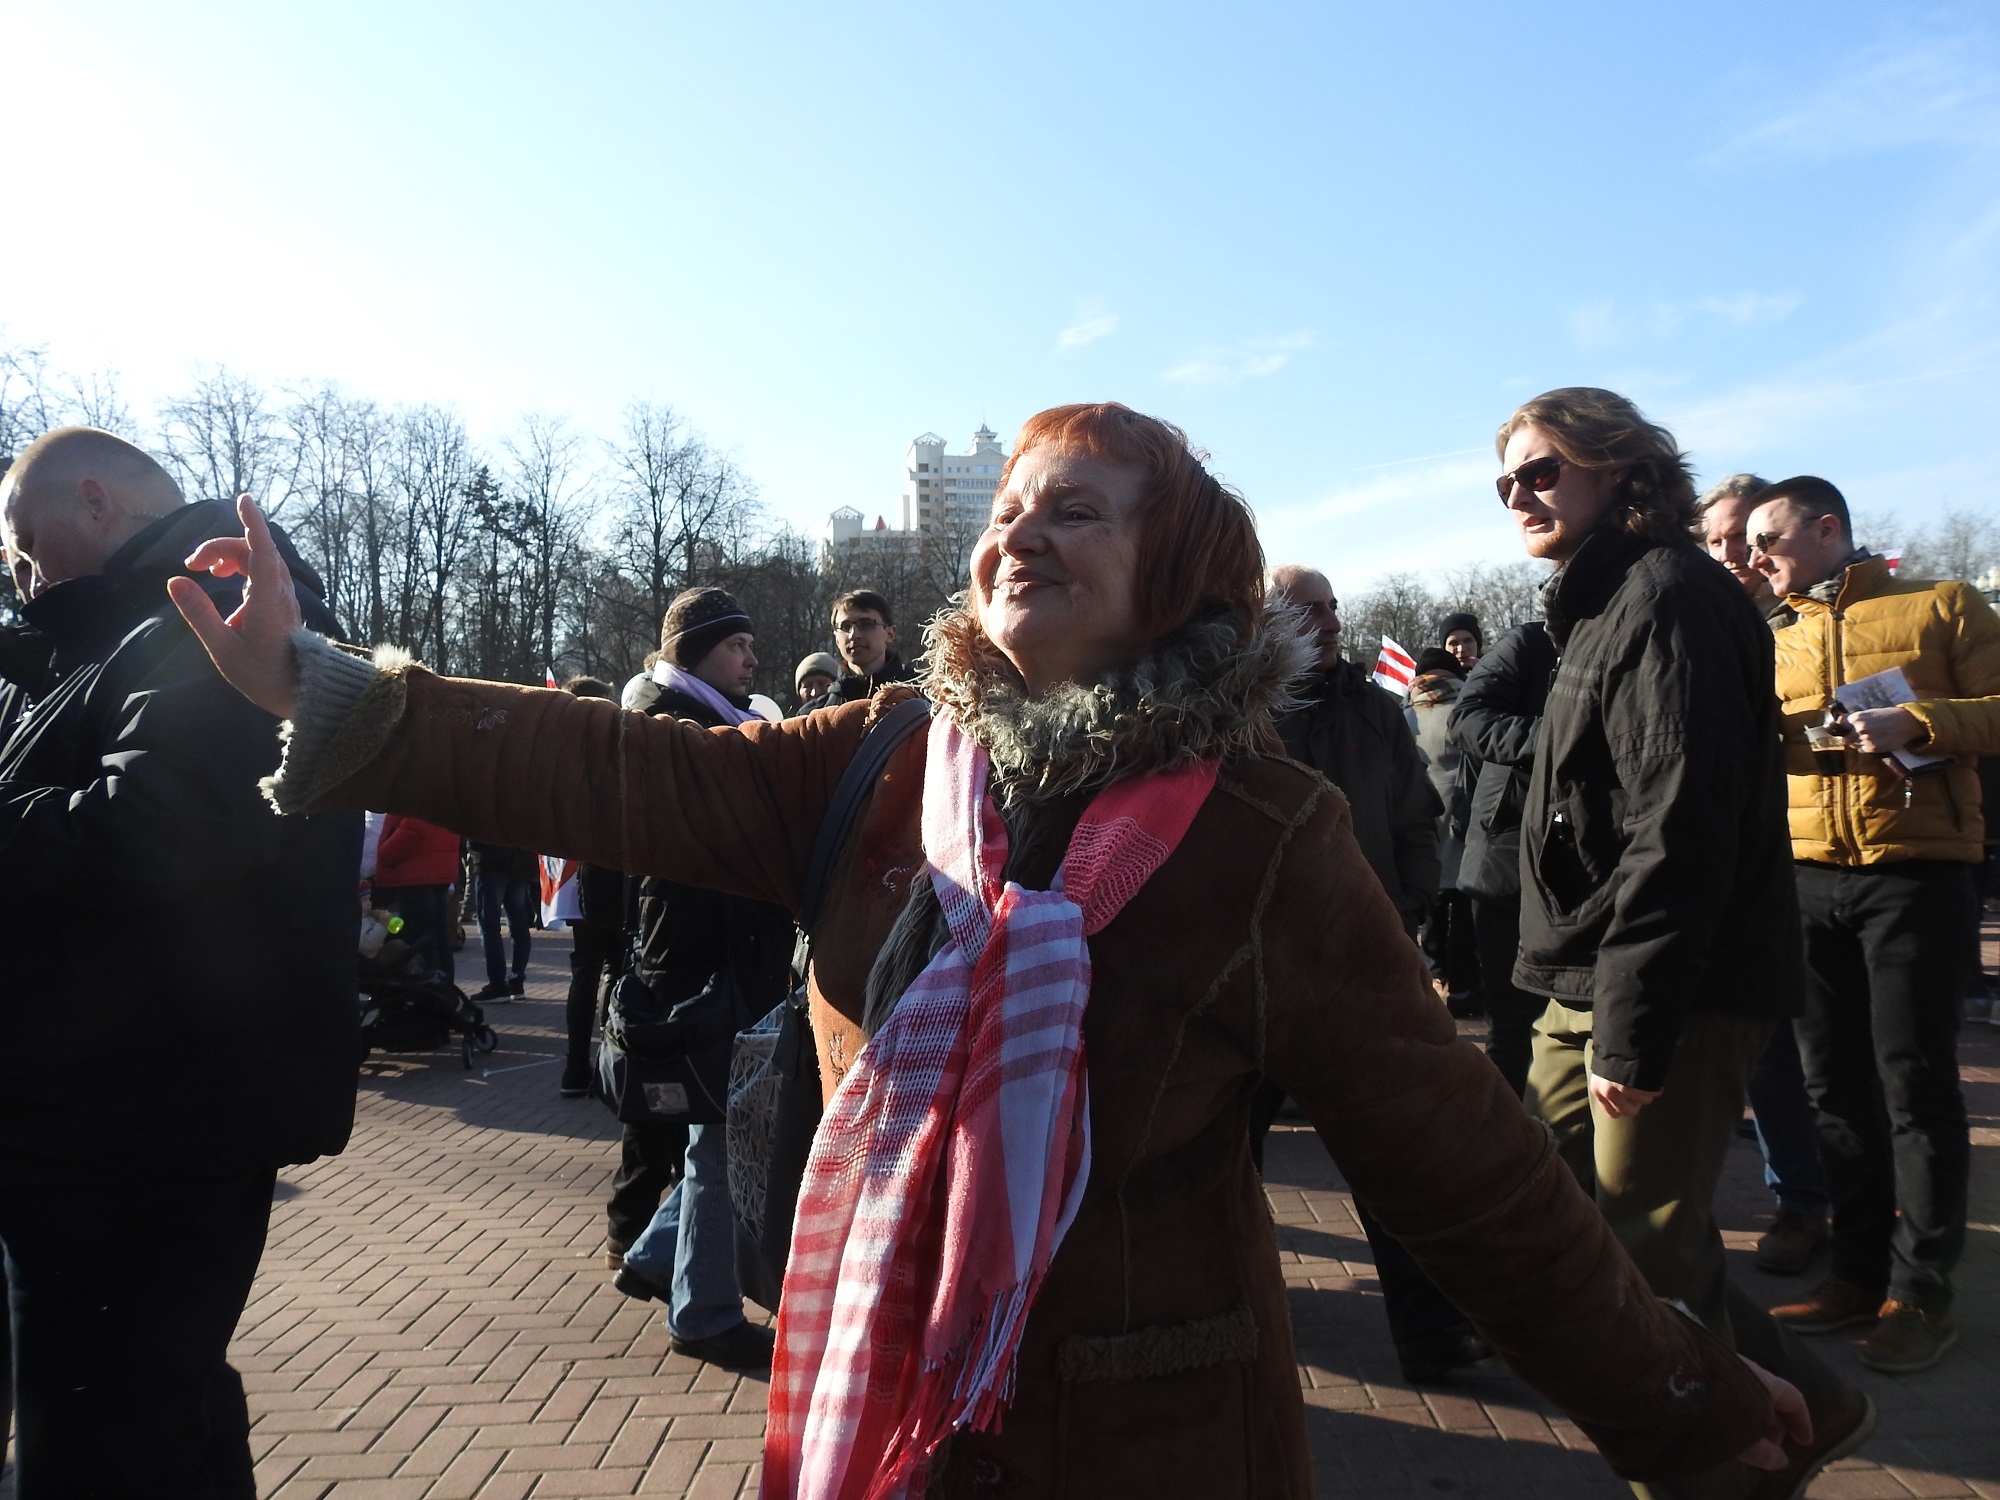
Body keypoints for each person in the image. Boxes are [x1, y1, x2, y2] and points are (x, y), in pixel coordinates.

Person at [178, 402, 1821, 1500]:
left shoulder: (1265, 838)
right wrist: (330, 693)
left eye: (1077, 516)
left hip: (1149, 1430)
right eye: (1011, 514)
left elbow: (1467, 1171)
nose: (1018, 540)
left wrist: (1682, 1407)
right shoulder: (887, 753)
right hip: (875, 1388)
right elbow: (621, 770)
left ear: (1176, 574)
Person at [1497, 389, 1868, 1498]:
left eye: (1542, 469)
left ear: (1622, 469)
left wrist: (1632, 1027)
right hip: (1581, 973)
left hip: (1666, 986)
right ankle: (1815, 1401)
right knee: (1560, 1228)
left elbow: (1680, 826)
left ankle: (1711, 1469)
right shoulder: (1599, 605)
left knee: (1646, 1263)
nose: (1519, 494)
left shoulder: (1668, 597)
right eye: (1504, 480)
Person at [0, 427, 360, 1497]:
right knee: (153, 1409)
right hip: (125, 1102)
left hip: (135, 1116)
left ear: (98, 504)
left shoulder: (209, 614)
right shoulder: (125, 633)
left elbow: (165, 832)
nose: (19, 573)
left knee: (97, 1438)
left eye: (26, 542)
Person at [1746, 475, 2000, 1374]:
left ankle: (1921, 1294)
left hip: (1916, 878)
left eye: (1769, 541)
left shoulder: (1942, 605)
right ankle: (1856, 1272)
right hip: (1809, 879)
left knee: (1916, 1087)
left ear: (1827, 529)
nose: (1756, 559)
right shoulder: (1775, 636)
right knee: (1833, 1088)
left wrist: (1919, 721)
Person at [610, 588, 796, 1369]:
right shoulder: (682, 729)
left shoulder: (698, 720)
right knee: (723, 1144)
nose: (752, 660)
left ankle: (658, 1258)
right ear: (693, 652)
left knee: (712, 1138)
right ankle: (705, 1315)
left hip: (709, 960)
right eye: (737, 646)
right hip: (707, 967)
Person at [1694, 473, 1832, 1277]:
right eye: (1714, 542)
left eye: (1746, 539)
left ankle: (1820, 1201)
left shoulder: (1810, 622)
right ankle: (1794, 1199)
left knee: (1821, 1047)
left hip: (1817, 859)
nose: (1732, 556)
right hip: (1732, 861)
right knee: (1760, 1047)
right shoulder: (1694, 620)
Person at [1447, 618, 1559, 1095]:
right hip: (1504, 866)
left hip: (1584, 866)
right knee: (1512, 1024)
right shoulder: (1532, 642)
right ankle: (1507, 1145)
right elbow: (1466, 721)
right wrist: (1560, 737)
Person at [558, 674, 628, 1102]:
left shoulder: (556, 754)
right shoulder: (609, 752)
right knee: (616, 969)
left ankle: (575, 1066)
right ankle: (607, 1065)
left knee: (586, 970)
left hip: (576, 878)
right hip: (608, 876)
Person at [1409, 629, 1481, 1015]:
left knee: (1432, 903)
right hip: (1465, 814)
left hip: (1422, 817)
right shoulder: (1468, 710)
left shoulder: (1404, 714)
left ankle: (1438, 978)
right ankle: (1466, 988)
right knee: (1465, 905)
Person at [373, 813, 463, 983]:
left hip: (415, 872)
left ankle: (431, 993)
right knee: (437, 937)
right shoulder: (442, 790)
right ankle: (444, 991)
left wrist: (385, 853)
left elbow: (416, 825)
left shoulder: (418, 790)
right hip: (433, 868)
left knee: (421, 941)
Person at [818, 588, 918, 707]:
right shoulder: (815, 715)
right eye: (845, 627)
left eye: (866, 624)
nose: (854, 635)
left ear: (890, 634)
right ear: (836, 639)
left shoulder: (924, 698)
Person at [467, 839, 537, 1001]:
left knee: (489, 926)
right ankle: (516, 981)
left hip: (491, 862)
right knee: (518, 923)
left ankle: (498, 984)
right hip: (520, 860)